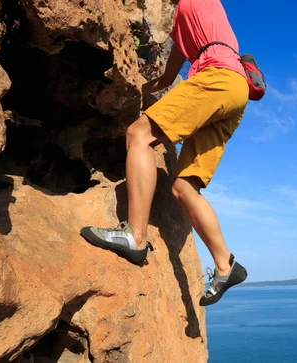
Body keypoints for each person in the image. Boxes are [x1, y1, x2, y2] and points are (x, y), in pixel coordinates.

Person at [80, 0, 248, 306]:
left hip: (216, 78)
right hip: (237, 90)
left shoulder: (189, 5)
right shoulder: (190, 26)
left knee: (138, 135)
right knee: (185, 188)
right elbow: (170, 74)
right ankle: (226, 265)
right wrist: (146, 87)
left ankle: (135, 237)